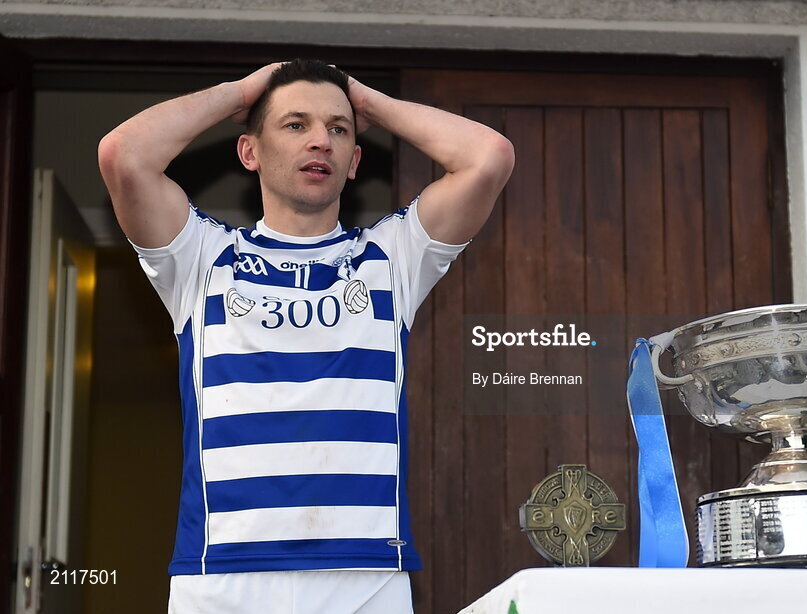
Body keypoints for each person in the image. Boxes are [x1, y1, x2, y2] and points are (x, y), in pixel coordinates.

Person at [97, 59, 514, 613]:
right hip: (222, 577)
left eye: (338, 130)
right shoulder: (202, 258)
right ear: (250, 152)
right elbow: (123, 156)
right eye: (295, 125)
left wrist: (368, 102)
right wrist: (244, 92)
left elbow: (489, 159)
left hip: (365, 575)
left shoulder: (390, 258)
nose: (320, 140)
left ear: (354, 161)